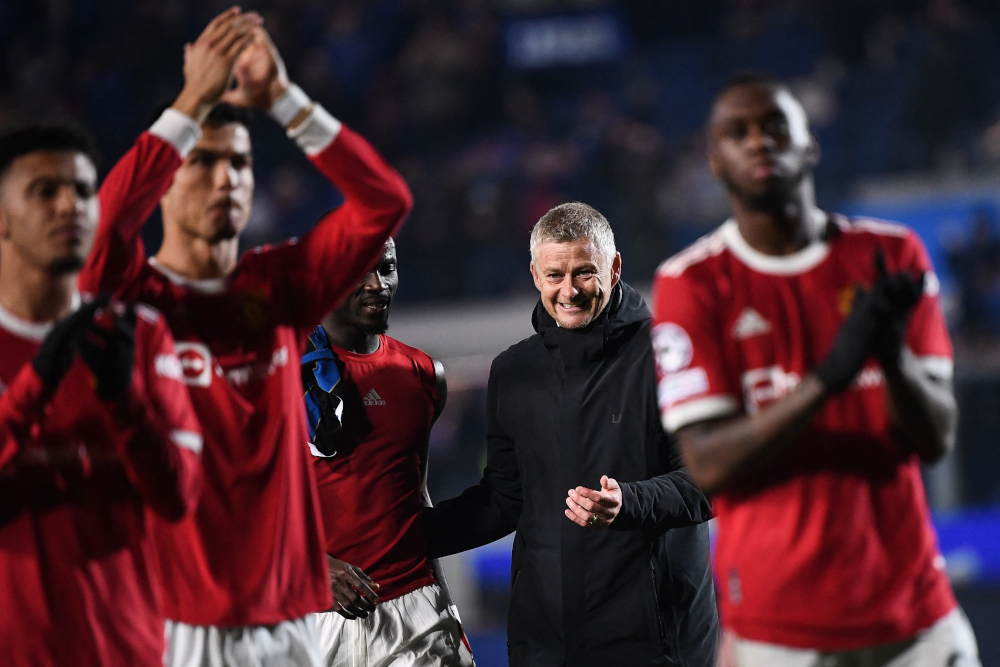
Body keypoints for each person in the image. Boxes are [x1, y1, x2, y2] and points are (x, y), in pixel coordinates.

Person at [77, 9, 413, 666]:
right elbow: (104, 230)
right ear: (164, 183)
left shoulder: (279, 285)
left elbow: (384, 202)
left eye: (237, 162)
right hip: (167, 623)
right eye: (201, 162)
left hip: (285, 624)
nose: (224, 177)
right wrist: (188, 103)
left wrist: (285, 102)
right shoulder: (135, 297)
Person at [651, 72, 981, 667]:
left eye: (776, 127)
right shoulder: (693, 282)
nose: (759, 142)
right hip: (779, 636)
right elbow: (706, 464)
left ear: (810, 144)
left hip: (917, 623)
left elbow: (936, 438)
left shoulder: (889, 254)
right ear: (715, 162)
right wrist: (830, 377)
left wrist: (890, 356)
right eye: (738, 132)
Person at [422, 202, 718, 666]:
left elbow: (708, 480)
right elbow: (504, 499)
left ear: (614, 267)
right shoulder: (513, 371)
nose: (569, 291)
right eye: (554, 275)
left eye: (584, 273)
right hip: (545, 645)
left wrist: (629, 501)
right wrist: (401, 539)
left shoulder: (668, 352)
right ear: (536, 275)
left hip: (658, 644)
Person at [0, 123, 202, 665]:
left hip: (128, 652)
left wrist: (125, 403)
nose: (71, 206)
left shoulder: (141, 336)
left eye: (84, 191)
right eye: (45, 191)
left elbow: (180, 496)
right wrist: (34, 388)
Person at [301, 238, 475, 666]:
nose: (379, 285)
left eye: (388, 268)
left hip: (415, 618)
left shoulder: (423, 374)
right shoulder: (272, 376)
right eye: (362, 271)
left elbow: (416, 497)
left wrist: (447, 608)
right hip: (307, 622)